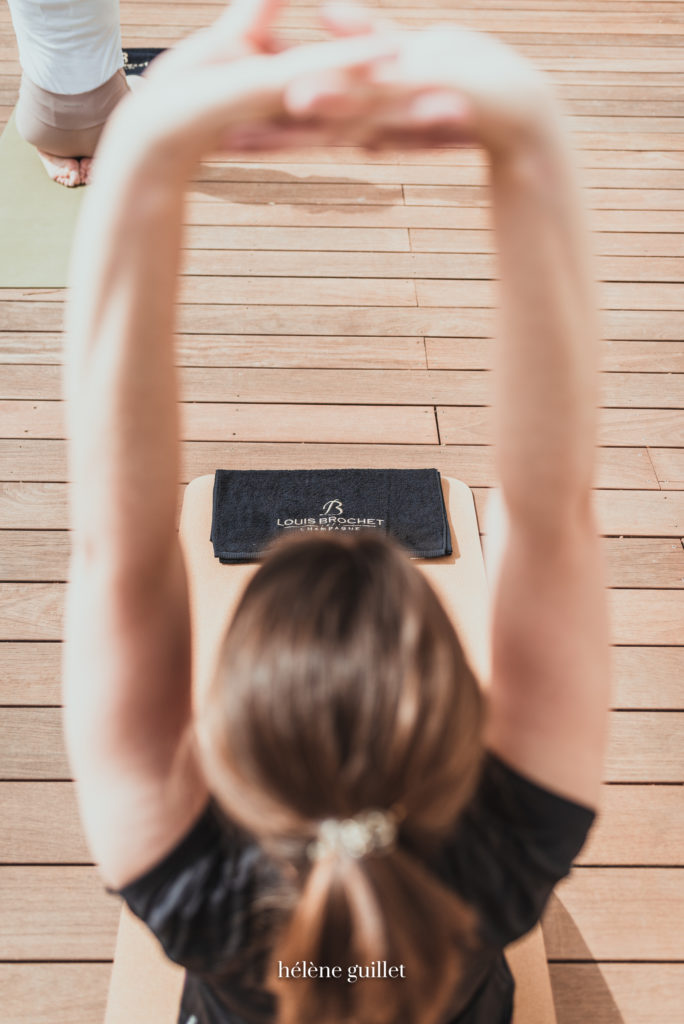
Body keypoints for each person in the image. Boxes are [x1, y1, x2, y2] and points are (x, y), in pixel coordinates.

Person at [61, 2, 612, 1023]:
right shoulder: (498, 859)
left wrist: (138, 144)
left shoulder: (207, 894)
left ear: (219, 742)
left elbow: (115, 553)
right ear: (466, 723)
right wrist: (529, 135)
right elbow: (554, 513)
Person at [7, 0, 129, 186]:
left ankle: (49, 152)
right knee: (141, 85)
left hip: (41, 128)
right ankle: (104, 153)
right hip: (113, 127)